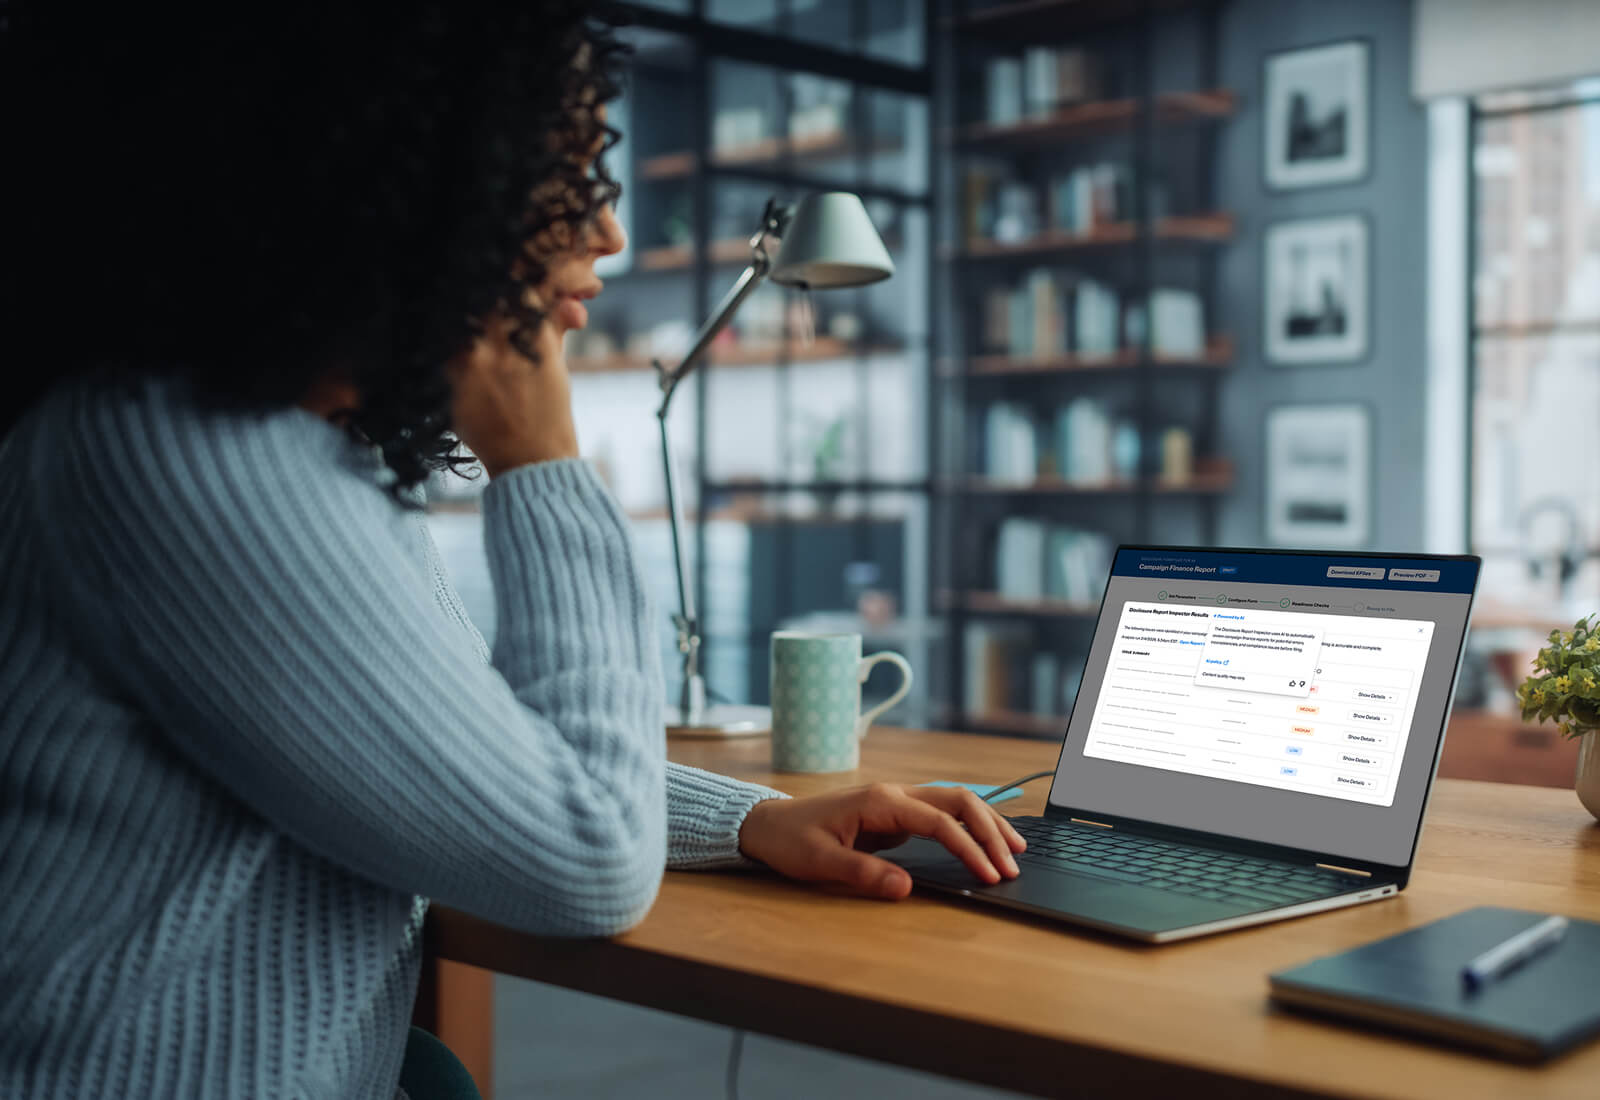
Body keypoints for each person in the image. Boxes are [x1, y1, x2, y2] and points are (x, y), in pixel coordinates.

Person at [1, 6, 1024, 1098]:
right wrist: (540, 457)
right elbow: (586, 859)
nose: (610, 233)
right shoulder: (186, 456)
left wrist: (755, 818)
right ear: (417, 176)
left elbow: (483, 751)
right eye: (570, 173)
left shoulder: (305, 451)